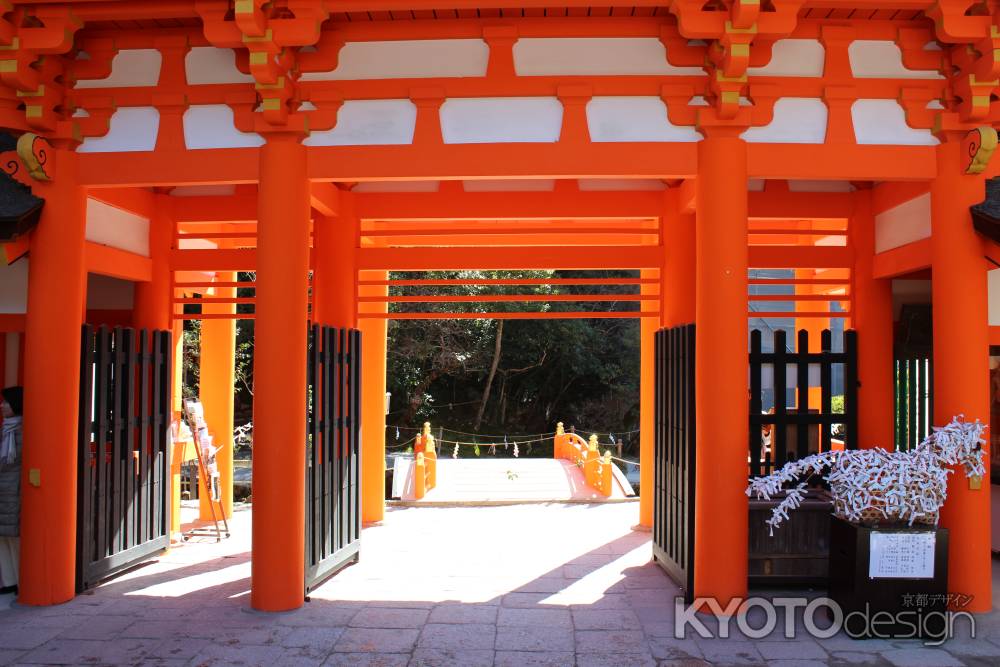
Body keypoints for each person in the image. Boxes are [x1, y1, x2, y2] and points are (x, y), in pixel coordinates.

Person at [0, 386, 23, 595]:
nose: (2, 406)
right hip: (4, 488)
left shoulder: (22, 430)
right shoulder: (5, 429)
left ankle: (20, 579)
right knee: (2, 536)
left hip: (15, 488)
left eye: (6, 402)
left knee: (16, 538)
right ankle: (8, 581)